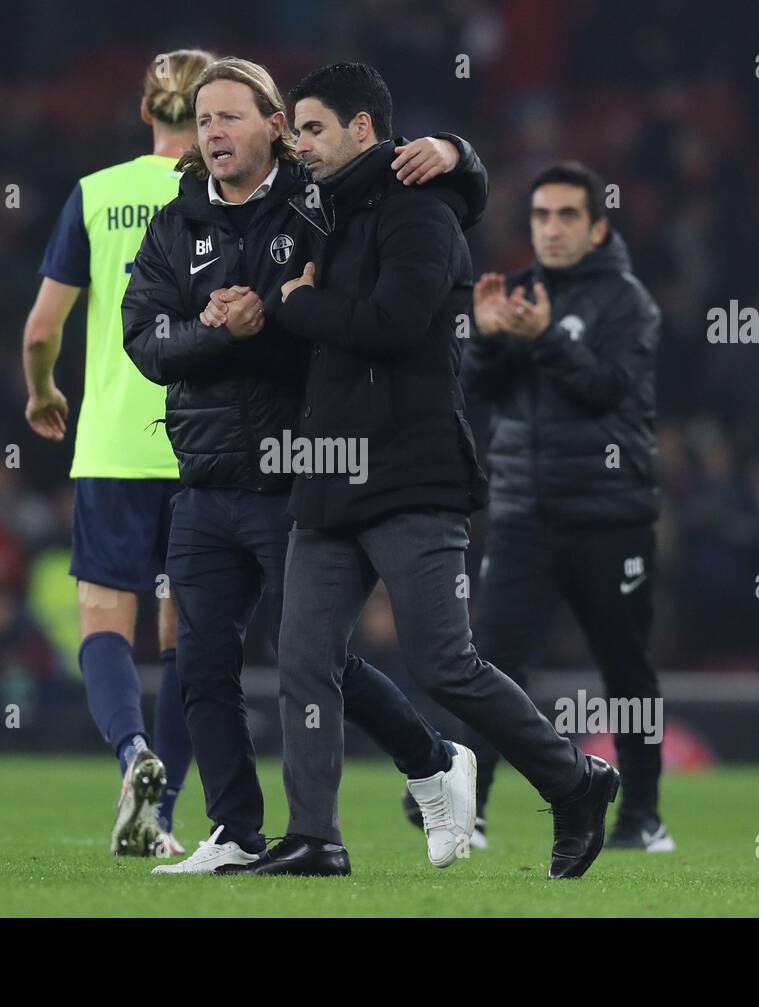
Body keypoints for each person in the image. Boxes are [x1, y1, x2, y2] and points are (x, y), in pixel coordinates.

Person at [226, 64, 619, 880]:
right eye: (294, 130)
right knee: (303, 658)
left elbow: (395, 323)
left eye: (313, 128)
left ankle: (574, 781)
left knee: (446, 662)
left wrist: (298, 303)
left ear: (364, 129)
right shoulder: (320, 212)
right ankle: (314, 837)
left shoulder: (422, 212)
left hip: (412, 470)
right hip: (327, 472)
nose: (299, 144)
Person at [123, 56, 487, 876]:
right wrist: (220, 332)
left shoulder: (316, 198)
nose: (212, 132)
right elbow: (143, 342)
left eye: (229, 116)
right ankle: (236, 832)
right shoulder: (174, 224)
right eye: (202, 120)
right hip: (205, 475)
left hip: (299, 469)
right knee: (201, 661)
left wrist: (461, 152)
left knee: (312, 659)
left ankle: (428, 760)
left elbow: (436, 202)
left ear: (274, 126)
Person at [22, 49, 212, 858]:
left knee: (104, 617)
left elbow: (41, 329)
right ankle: (163, 814)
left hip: (109, 446)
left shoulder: (97, 194)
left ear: (146, 113)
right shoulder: (224, 191)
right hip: (205, 442)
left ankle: (132, 751)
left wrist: (42, 392)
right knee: (189, 634)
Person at [450, 161, 669, 851]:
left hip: (610, 515)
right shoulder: (516, 293)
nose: (550, 228)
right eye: (541, 215)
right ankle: (472, 810)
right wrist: (486, 339)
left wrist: (543, 338)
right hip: (522, 514)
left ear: (598, 227)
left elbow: (607, 388)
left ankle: (641, 815)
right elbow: (477, 391)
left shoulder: (628, 302)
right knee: (490, 663)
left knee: (624, 668)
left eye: (567, 215)